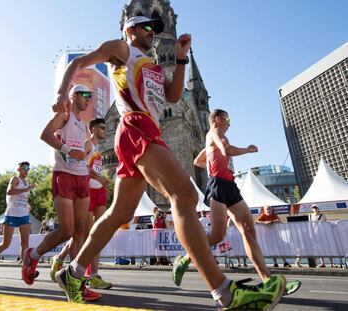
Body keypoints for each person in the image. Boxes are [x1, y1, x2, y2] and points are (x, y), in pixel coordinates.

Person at [51, 16, 285, 309]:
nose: (152, 33)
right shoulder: (121, 49)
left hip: (148, 128)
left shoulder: (154, 66)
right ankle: (225, 293)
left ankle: (71, 273)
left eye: (155, 29)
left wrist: (181, 58)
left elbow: (173, 96)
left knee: (118, 213)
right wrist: (62, 91)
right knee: (185, 195)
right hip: (135, 125)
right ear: (130, 29)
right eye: (146, 27)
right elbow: (79, 63)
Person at [171, 108, 293, 300]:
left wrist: (213, 160)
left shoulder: (210, 137)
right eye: (228, 120)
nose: (229, 125)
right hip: (218, 185)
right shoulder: (215, 132)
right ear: (218, 119)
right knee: (218, 235)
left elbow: (198, 160)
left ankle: (268, 280)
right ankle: (185, 259)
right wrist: (248, 150)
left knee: (248, 229)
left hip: (229, 185)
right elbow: (226, 150)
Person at [22, 84, 96, 295]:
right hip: (63, 176)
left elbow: (82, 152)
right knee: (67, 230)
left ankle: (76, 280)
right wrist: (68, 150)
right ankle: (33, 255)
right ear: (72, 97)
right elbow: (45, 134)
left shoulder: (83, 125)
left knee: (80, 229)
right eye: (84, 95)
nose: (88, 99)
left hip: (82, 177)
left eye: (90, 96)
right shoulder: (64, 116)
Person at [50, 118, 112, 292]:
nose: (104, 130)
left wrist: (102, 182)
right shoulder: (87, 144)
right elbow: (81, 164)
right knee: (85, 235)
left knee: (99, 233)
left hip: (99, 192)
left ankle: (94, 276)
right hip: (86, 191)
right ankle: (64, 260)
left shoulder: (99, 149)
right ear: (93, 129)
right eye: (101, 127)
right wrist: (97, 178)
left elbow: (95, 169)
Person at [0, 161, 36, 274]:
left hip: (23, 215)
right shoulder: (15, 179)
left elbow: (22, 198)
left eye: (28, 169)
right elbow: (9, 192)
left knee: (25, 243)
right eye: (24, 168)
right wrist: (26, 189)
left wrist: (27, 205)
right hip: (11, 214)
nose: (26, 171)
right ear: (18, 169)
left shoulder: (27, 182)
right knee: (6, 244)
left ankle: (25, 268)